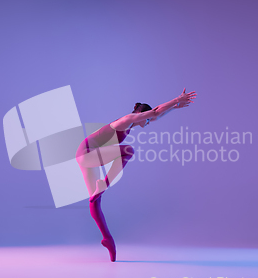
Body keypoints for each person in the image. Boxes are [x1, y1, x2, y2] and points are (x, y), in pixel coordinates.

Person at [75, 88, 197, 261]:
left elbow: (156, 115)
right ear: (141, 113)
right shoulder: (126, 120)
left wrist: (175, 107)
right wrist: (177, 99)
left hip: (87, 155)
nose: (149, 123)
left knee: (95, 200)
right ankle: (105, 183)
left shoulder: (132, 124)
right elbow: (155, 112)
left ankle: (107, 239)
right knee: (128, 150)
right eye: (146, 119)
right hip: (87, 153)